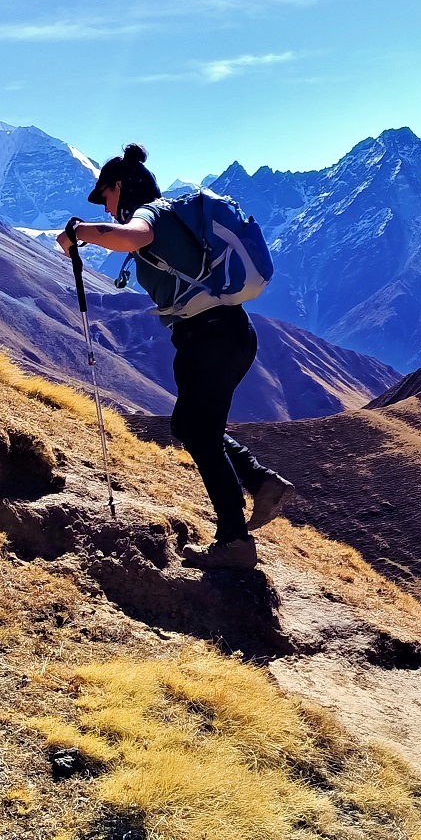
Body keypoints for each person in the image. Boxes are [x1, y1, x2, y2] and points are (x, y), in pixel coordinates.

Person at [57, 145, 293, 571]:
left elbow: (130, 236)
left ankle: (235, 542)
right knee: (189, 426)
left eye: (106, 197)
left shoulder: (152, 214)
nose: (107, 209)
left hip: (209, 339)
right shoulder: (171, 216)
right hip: (227, 334)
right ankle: (259, 481)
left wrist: (79, 232)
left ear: (122, 188)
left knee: (200, 434)